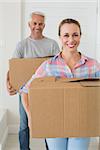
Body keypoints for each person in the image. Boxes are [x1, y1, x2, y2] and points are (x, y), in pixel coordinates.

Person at [20, 18, 100, 150]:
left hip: (82, 124)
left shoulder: (93, 65)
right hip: (54, 125)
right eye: (66, 35)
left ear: (80, 36)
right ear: (59, 37)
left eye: (75, 35)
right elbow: (25, 90)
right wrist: (31, 116)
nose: (71, 40)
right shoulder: (49, 66)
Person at [6, 11, 60, 150]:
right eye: (35, 23)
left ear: (44, 25)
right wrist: (8, 83)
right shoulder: (22, 45)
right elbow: (14, 68)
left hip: (46, 91)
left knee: (48, 123)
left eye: (40, 24)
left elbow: (59, 66)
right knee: (24, 124)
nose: (37, 26)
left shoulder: (52, 44)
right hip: (25, 91)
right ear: (29, 24)